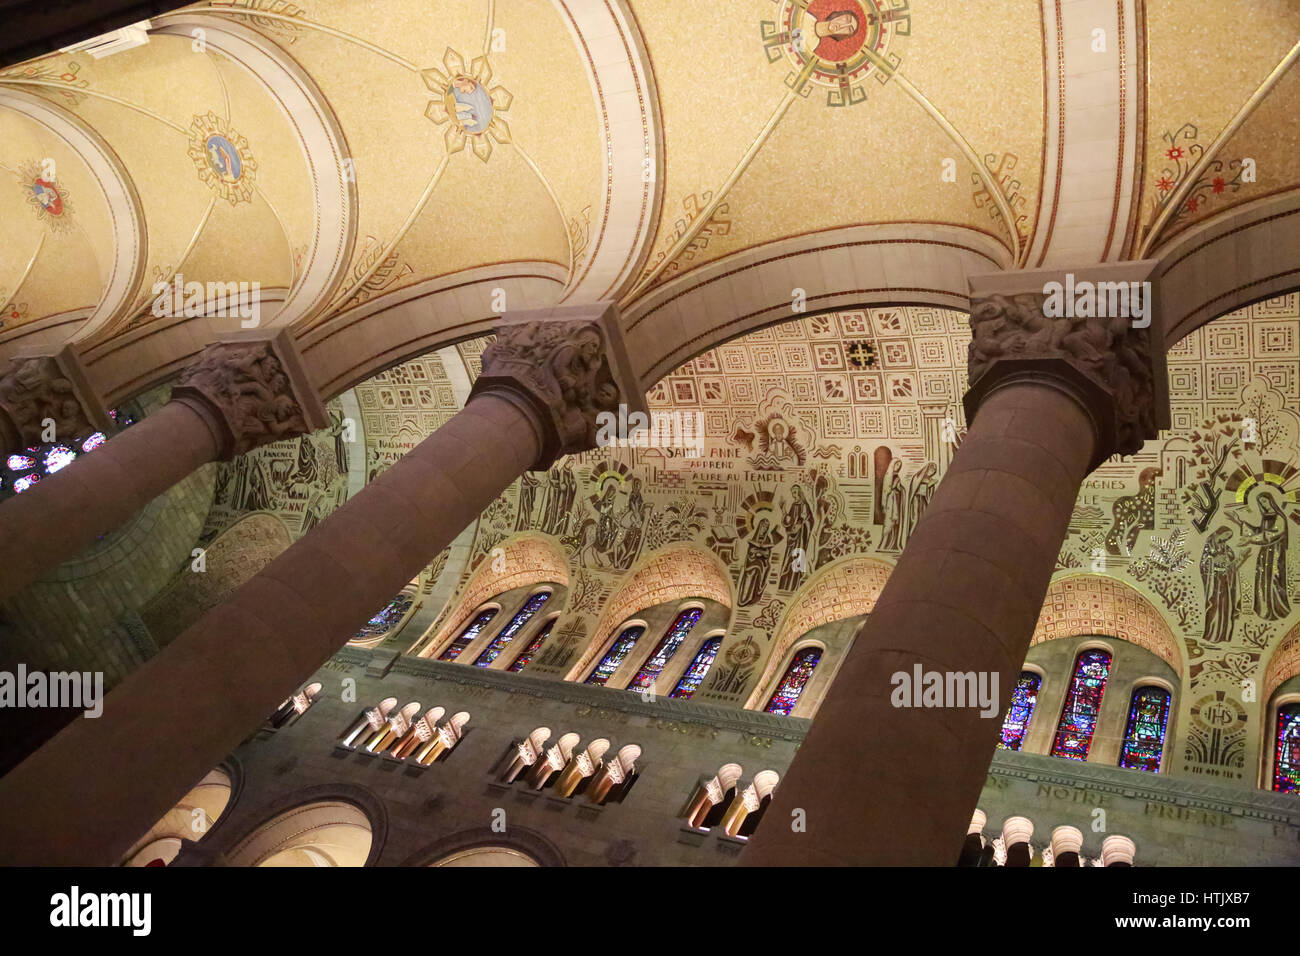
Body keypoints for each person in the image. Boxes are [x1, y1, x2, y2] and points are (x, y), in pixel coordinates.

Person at [1230, 492, 1291, 620]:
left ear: (1271, 501)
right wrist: (1240, 523)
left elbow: (1272, 534)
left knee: (1273, 580)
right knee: (1262, 580)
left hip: (1275, 553)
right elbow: (1259, 531)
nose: (1263, 504)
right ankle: (1264, 610)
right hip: (1265, 553)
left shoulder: (1279, 517)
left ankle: (1278, 610)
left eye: (1265, 501)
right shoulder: (1266, 517)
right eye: (1261, 502)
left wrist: (1250, 540)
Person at [1199, 527, 1240, 643]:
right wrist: (1214, 560)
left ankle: (1224, 635)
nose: (1226, 538)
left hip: (1225, 581)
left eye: (1229, 536)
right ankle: (1212, 634)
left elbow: (1232, 564)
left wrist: (1230, 564)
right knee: (1214, 606)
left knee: (1226, 607)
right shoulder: (1209, 546)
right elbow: (1203, 565)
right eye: (1226, 534)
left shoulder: (1227, 549)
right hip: (1214, 581)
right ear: (1218, 532)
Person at [779, 484, 814, 590]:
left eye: (795, 492)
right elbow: (789, 521)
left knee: (797, 558)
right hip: (792, 537)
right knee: (788, 559)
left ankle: (793, 585)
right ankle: (785, 585)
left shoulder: (804, 505)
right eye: (792, 492)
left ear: (799, 492)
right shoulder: (794, 505)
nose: (793, 494)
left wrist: (797, 527)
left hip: (800, 538)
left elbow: (804, 521)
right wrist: (783, 510)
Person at [738, 518, 777, 606]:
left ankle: (754, 597)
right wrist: (755, 552)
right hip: (751, 563)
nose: (764, 529)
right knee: (754, 569)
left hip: (762, 563)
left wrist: (762, 553)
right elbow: (750, 553)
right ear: (759, 526)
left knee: (760, 567)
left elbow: (767, 554)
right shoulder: (754, 538)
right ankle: (745, 598)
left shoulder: (767, 539)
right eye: (763, 526)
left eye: (766, 527)